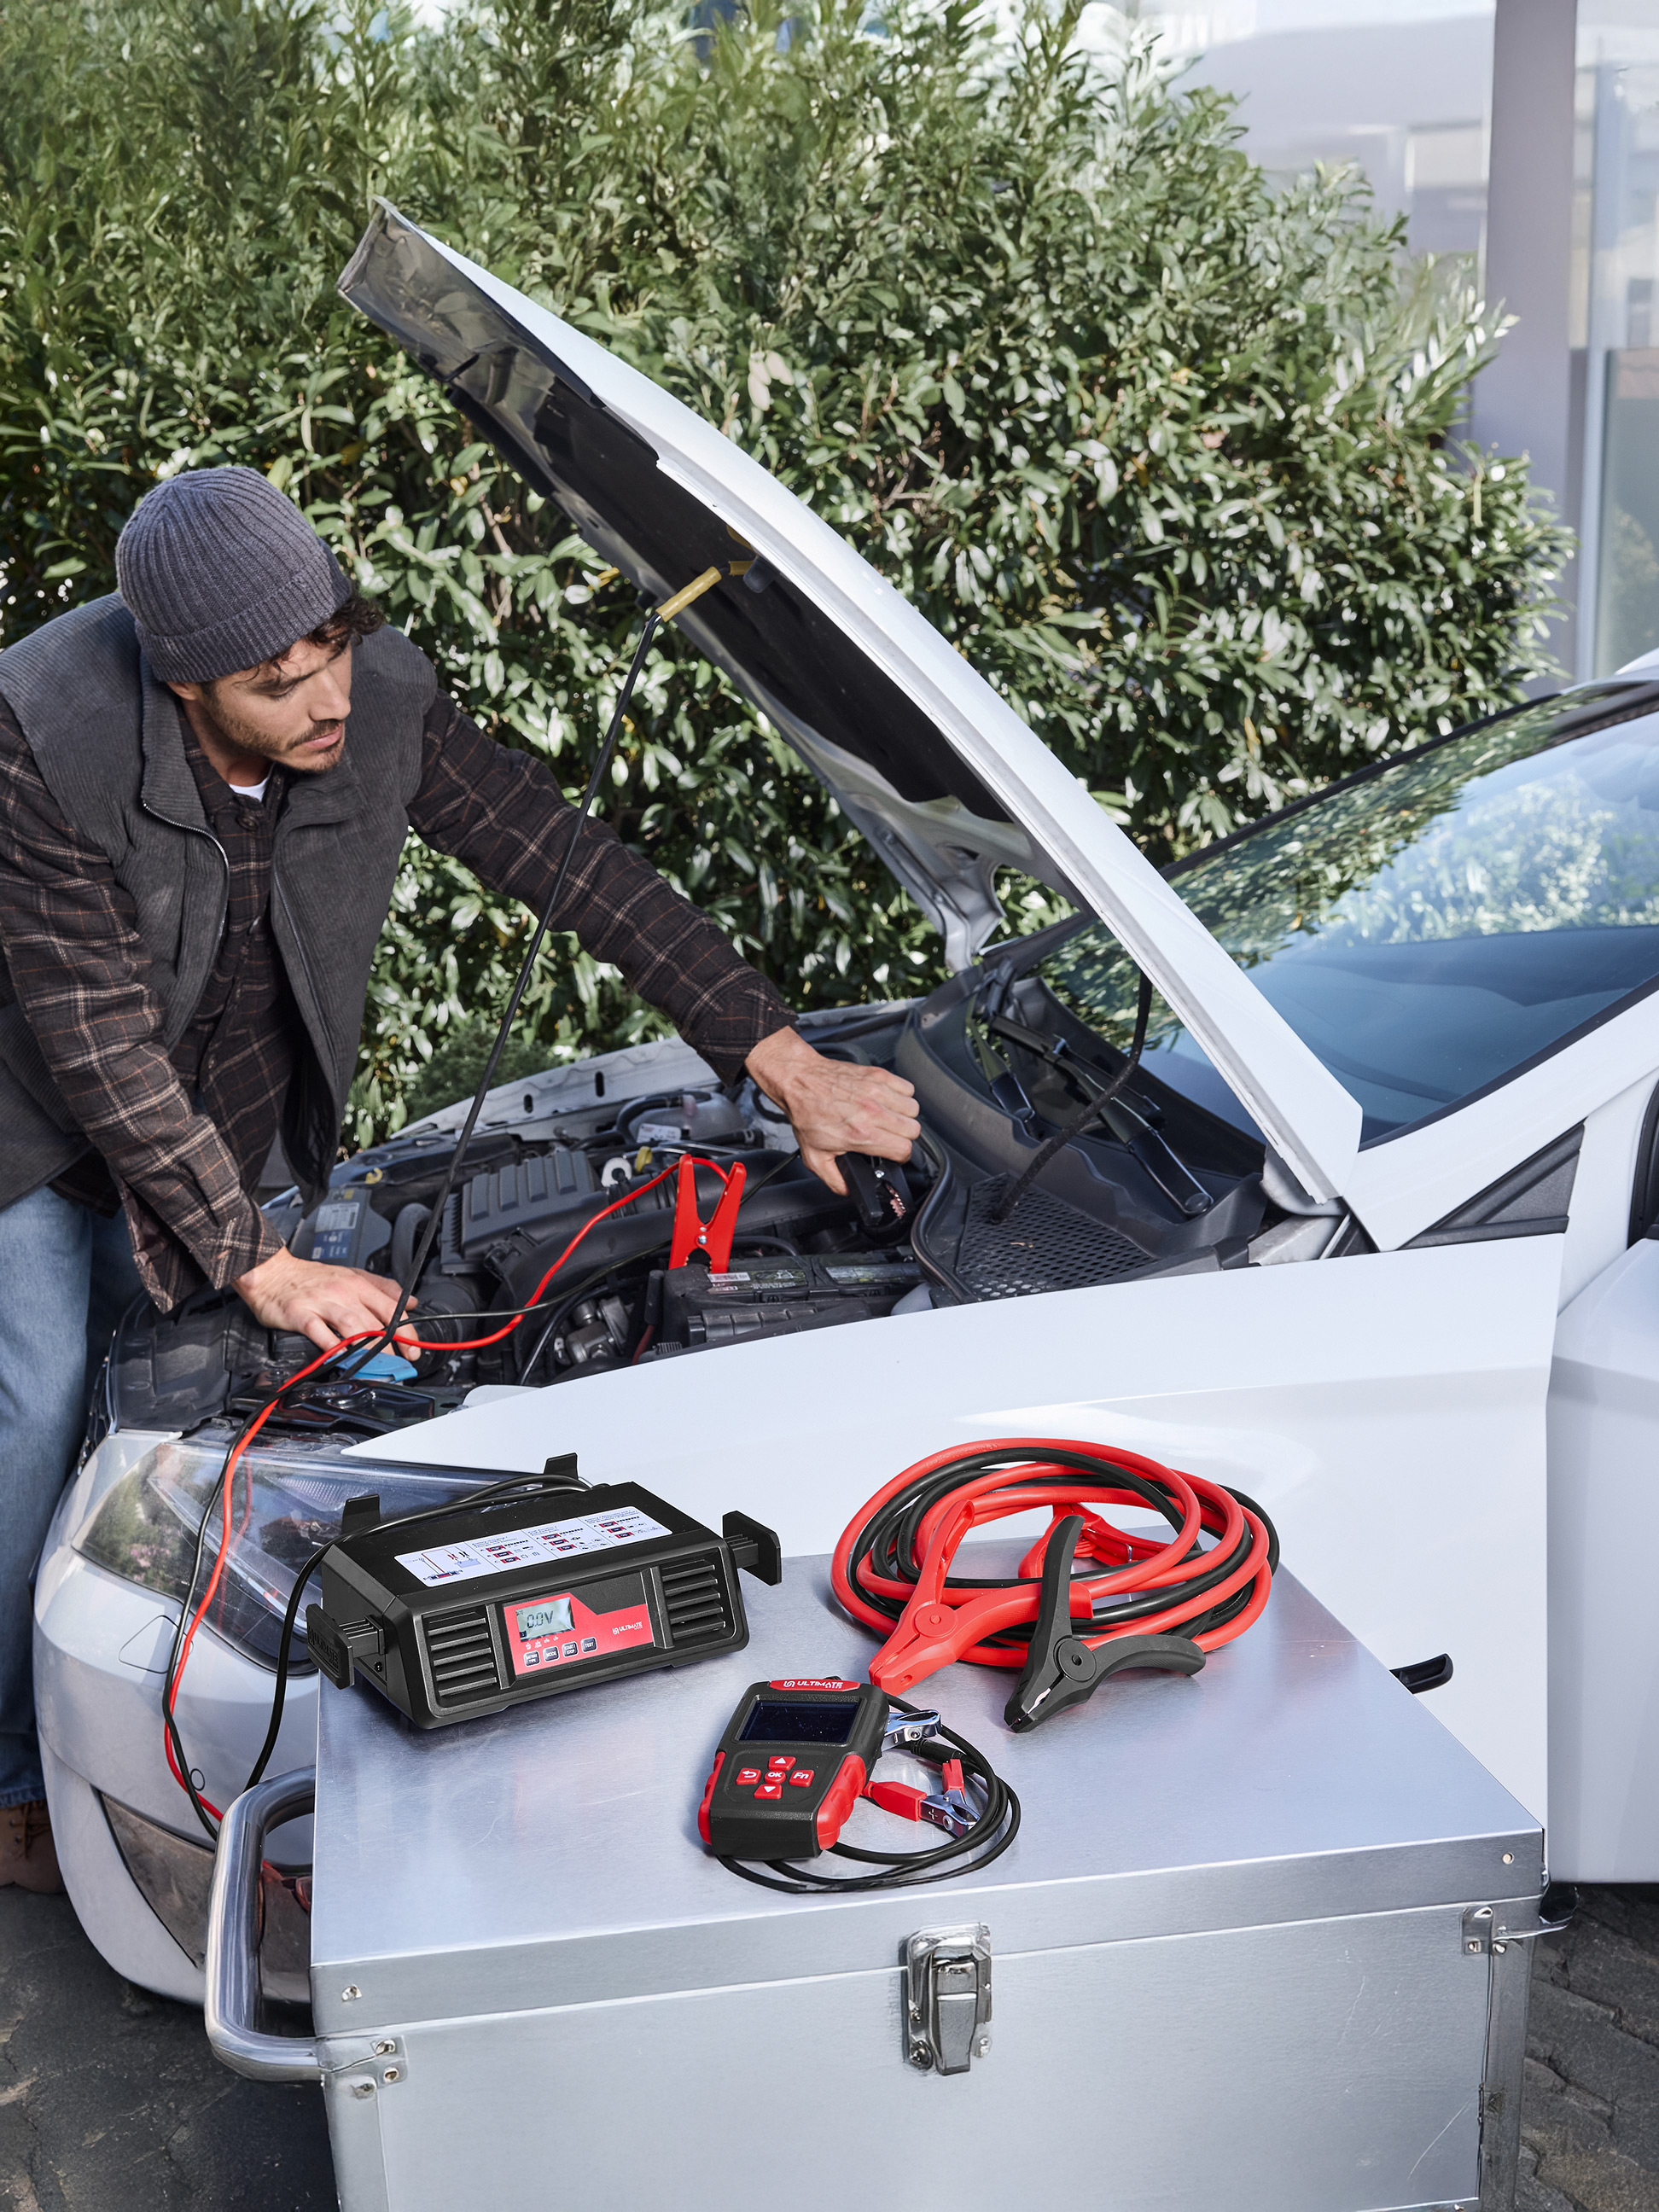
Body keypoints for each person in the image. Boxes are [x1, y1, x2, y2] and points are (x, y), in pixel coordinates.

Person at [0, 466, 919, 1891]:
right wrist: (260, 1258)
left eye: (335, 647)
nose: (327, 699)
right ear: (184, 688)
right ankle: (10, 1785)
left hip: (233, 1121)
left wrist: (780, 1062)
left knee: (185, 1424)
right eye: (276, 683)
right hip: (35, 1129)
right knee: (38, 1412)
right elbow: (96, 1043)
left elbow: (573, 866)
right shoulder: (41, 736)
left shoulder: (383, 701)